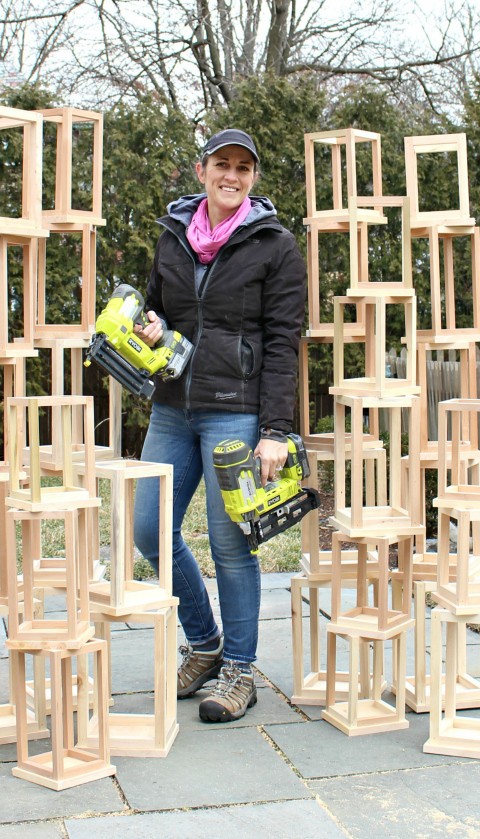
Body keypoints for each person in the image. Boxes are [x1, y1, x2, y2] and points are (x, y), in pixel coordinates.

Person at [132, 128, 306, 722]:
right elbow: (157, 309)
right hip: (173, 405)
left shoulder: (275, 245)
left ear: (253, 179)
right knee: (148, 528)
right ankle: (203, 643)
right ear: (202, 171)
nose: (231, 176)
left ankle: (238, 670)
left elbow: (284, 342)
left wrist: (276, 430)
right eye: (221, 165)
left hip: (236, 409)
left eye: (243, 168)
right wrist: (149, 328)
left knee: (232, 544)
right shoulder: (172, 235)